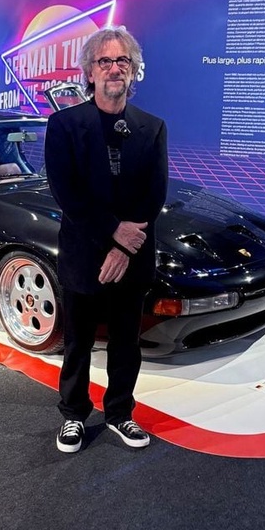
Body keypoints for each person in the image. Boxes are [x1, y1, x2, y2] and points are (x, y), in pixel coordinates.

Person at [44, 25, 168, 454]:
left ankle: (119, 413)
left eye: (122, 61)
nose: (115, 68)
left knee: (126, 343)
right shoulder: (64, 125)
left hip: (132, 257)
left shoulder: (152, 127)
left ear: (133, 71)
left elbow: (154, 194)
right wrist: (113, 233)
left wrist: (122, 248)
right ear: (90, 72)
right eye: (105, 61)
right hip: (83, 254)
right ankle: (74, 414)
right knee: (77, 342)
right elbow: (67, 193)